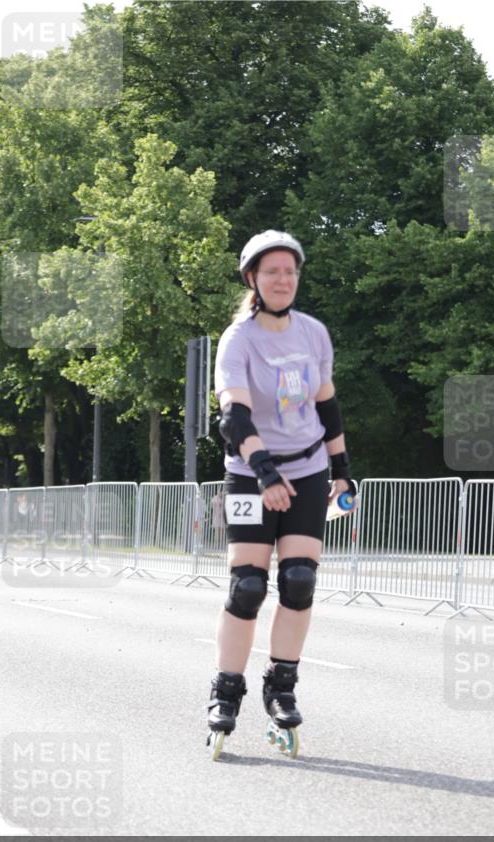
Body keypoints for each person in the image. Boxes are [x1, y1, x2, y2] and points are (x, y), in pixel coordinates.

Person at [207, 230, 356, 759]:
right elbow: (233, 415)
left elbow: (327, 406)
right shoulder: (238, 339)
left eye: (290, 271)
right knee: (247, 586)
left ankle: (281, 685)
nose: (283, 279)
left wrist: (341, 468)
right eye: (272, 271)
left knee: (299, 581)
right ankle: (226, 691)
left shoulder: (314, 333)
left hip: (310, 471)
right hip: (251, 474)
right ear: (253, 278)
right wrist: (266, 473)